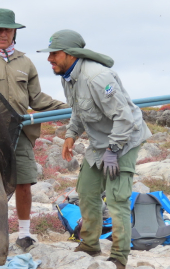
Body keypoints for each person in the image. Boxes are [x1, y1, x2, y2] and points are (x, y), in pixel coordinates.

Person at [37, 29, 152, 269]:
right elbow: (78, 110)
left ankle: (119, 257)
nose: (49, 59)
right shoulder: (68, 76)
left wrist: (113, 150)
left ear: (70, 54)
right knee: (87, 193)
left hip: (125, 140)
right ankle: (90, 244)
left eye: (54, 54)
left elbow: (124, 118)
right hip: (100, 143)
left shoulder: (98, 78)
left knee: (117, 199)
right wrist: (71, 134)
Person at [0, 8, 69, 252]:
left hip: (21, 132)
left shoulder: (25, 61)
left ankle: (25, 234)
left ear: (15, 32)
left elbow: (36, 98)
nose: (4, 34)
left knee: (24, 182)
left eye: (9, 29)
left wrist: (69, 108)